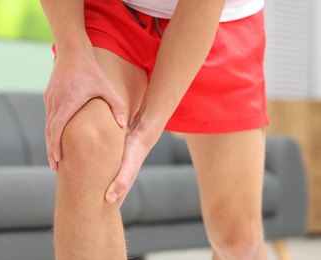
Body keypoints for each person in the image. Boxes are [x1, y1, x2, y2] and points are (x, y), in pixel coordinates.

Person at [40, 0, 269, 259]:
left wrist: (144, 132)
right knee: (87, 144)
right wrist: (72, 52)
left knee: (237, 240)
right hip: (113, 11)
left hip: (219, 21)